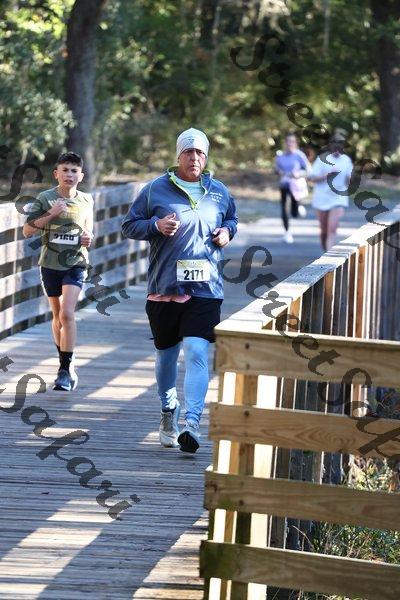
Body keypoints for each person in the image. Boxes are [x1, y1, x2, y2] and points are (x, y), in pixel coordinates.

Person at [121, 127, 238, 454]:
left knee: (198, 351)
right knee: (166, 356)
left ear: (206, 157)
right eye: (188, 152)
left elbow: (232, 219)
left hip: (206, 288)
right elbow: (129, 225)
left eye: (200, 152)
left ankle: (192, 423)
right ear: (178, 156)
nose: (194, 158)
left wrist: (227, 232)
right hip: (165, 287)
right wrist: (155, 226)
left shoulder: (219, 191)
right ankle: (168, 408)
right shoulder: (154, 190)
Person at [23, 152, 94, 391]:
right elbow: (27, 231)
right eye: (65, 170)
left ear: (80, 176)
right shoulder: (45, 198)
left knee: (67, 313)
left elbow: (88, 231)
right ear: (56, 174)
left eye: (74, 171)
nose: (69, 175)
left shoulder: (86, 200)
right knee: (56, 316)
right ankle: (66, 362)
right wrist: (51, 213)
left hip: (75, 263)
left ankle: (64, 369)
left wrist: (88, 238)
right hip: (50, 263)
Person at [309, 131, 353, 251]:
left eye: (340, 148)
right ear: (330, 147)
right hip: (322, 197)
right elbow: (312, 178)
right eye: (335, 148)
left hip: (338, 198)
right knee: (324, 231)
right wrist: (327, 175)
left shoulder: (346, 160)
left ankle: (329, 257)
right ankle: (326, 252)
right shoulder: (322, 159)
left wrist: (350, 179)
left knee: (332, 229)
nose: (337, 151)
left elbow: (348, 181)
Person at [275, 133, 310, 244]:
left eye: (292, 141)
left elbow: (308, 170)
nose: (290, 144)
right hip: (284, 184)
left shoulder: (299, 155)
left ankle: (298, 206)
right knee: (284, 208)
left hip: (296, 185)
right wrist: (278, 172)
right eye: (288, 141)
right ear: (285, 143)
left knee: (294, 212)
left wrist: (298, 174)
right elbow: (276, 170)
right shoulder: (280, 156)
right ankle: (287, 232)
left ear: (295, 143)